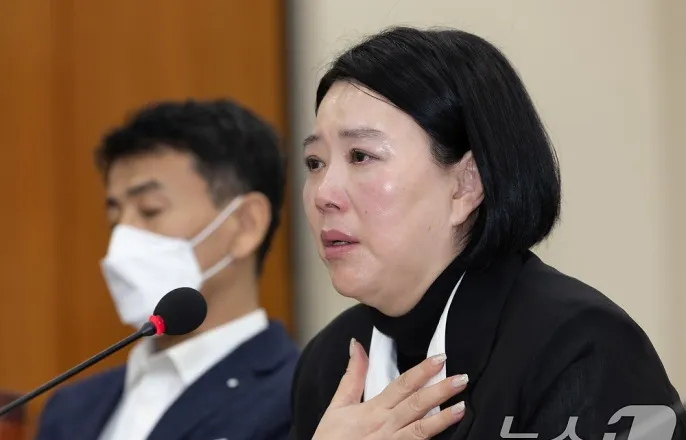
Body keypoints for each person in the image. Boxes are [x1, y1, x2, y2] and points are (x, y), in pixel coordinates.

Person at [289, 26, 686, 440]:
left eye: (360, 156)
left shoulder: (579, 348)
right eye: (315, 162)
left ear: (466, 185)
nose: (324, 194)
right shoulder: (328, 364)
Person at [35, 99, 298, 440]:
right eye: (115, 217)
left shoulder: (302, 397)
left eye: (150, 210)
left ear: (245, 225)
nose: (123, 236)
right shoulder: (70, 408)